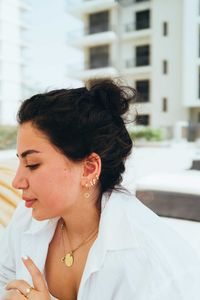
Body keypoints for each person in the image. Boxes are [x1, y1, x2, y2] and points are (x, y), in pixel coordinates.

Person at [0, 80, 200, 300]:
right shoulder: (27, 216)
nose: (17, 181)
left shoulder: (148, 263)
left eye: (32, 164)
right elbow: (4, 279)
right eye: (19, 162)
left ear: (89, 168)